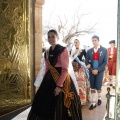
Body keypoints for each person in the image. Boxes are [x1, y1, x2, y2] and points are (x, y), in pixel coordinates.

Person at [27, 29, 82, 120]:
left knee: (59, 105)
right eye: (49, 37)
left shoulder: (62, 50)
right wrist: (43, 82)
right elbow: (48, 68)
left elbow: (65, 69)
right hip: (49, 79)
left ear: (57, 37)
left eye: (53, 36)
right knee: (43, 103)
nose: (51, 39)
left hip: (61, 79)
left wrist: (59, 86)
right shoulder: (47, 52)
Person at [86, 35, 108, 110]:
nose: (94, 42)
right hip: (92, 71)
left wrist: (98, 70)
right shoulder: (89, 51)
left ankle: (99, 98)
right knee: (92, 87)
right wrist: (92, 70)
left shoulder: (104, 50)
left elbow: (105, 62)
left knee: (98, 86)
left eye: (95, 40)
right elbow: (87, 62)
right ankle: (93, 103)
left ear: (98, 41)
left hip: (100, 70)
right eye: (92, 40)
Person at [69, 39, 91, 105]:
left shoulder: (83, 50)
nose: (75, 43)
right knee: (73, 83)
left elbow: (87, 58)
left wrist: (88, 64)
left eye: (77, 42)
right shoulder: (71, 51)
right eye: (74, 42)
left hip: (80, 68)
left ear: (79, 42)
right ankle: (74, 100)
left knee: (81, 84)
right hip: (73, 68)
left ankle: (82, 100)